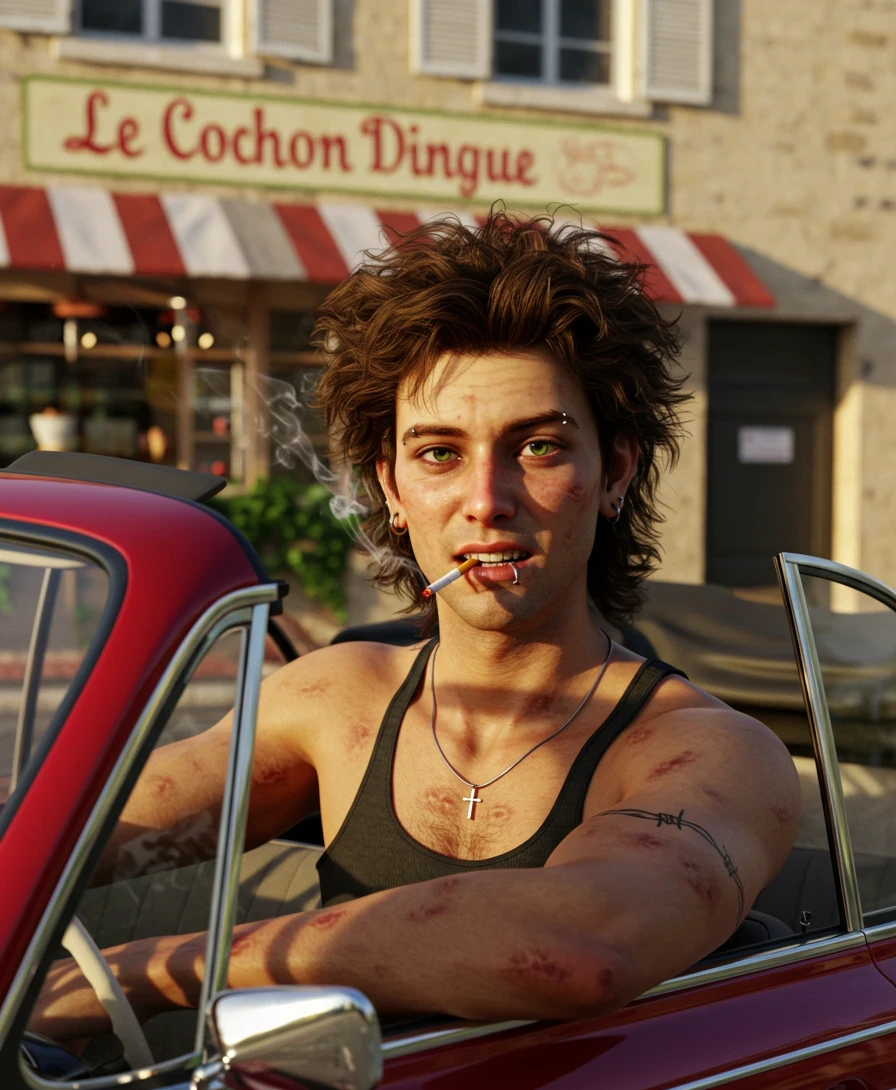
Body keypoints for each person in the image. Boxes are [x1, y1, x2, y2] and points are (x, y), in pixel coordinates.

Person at [32, 212, 800, 1043]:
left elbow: (578, 948)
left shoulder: (710, 750)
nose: (486, 500)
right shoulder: (334, 699)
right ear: (392, 491)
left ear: (613, 472)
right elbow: (67, 830)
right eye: (439, 453)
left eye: (539, 447)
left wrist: (142, 974)